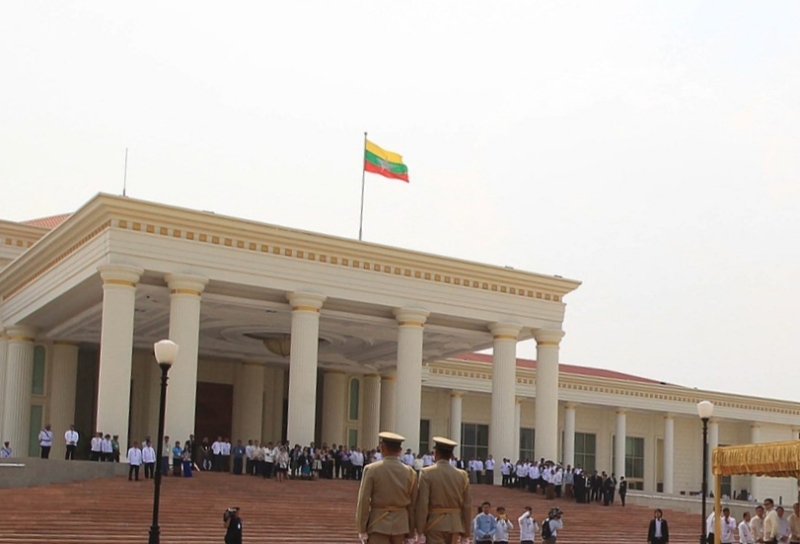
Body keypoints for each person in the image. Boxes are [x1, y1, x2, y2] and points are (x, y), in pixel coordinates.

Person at [355, 431, 418, 544]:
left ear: (382, 448)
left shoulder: (371, 469)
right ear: (400, 451)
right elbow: (412, 506)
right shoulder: (410, 473)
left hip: (378, 524)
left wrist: (362, 528)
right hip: (401, 526)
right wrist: (411, 532)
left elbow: (363, 500)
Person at [414, 436, 472, 544]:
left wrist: (420, 531)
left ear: (436, 453)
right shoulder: (462, 475)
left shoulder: (427, 473)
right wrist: (466, 534)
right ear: (451, 455)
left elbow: (423, 504)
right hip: (455, 524)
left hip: (435, 523)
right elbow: (467, 505)